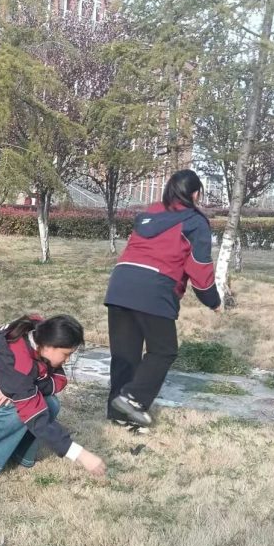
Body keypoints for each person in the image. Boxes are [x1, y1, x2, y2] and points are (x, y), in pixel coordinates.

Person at [104, 169, 221, 429]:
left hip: (120, 282)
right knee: (163, 350)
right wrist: (213, 301)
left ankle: (118, 414)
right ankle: (133, 398)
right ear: (196, 194)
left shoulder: (150, 212)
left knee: (125, 355)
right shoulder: (195, 221)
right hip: (155, 287)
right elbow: (200, 268)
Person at [0, 315, 107, 479]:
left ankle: (19, 453)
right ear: (49, 347)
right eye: (66, 354)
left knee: (51, 403)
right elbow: (37, 419)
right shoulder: (17, 361)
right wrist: (81, 455)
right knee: (20, 409)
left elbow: (59, 380)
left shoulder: (39, 333)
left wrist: (21, 388)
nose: (67, 360)